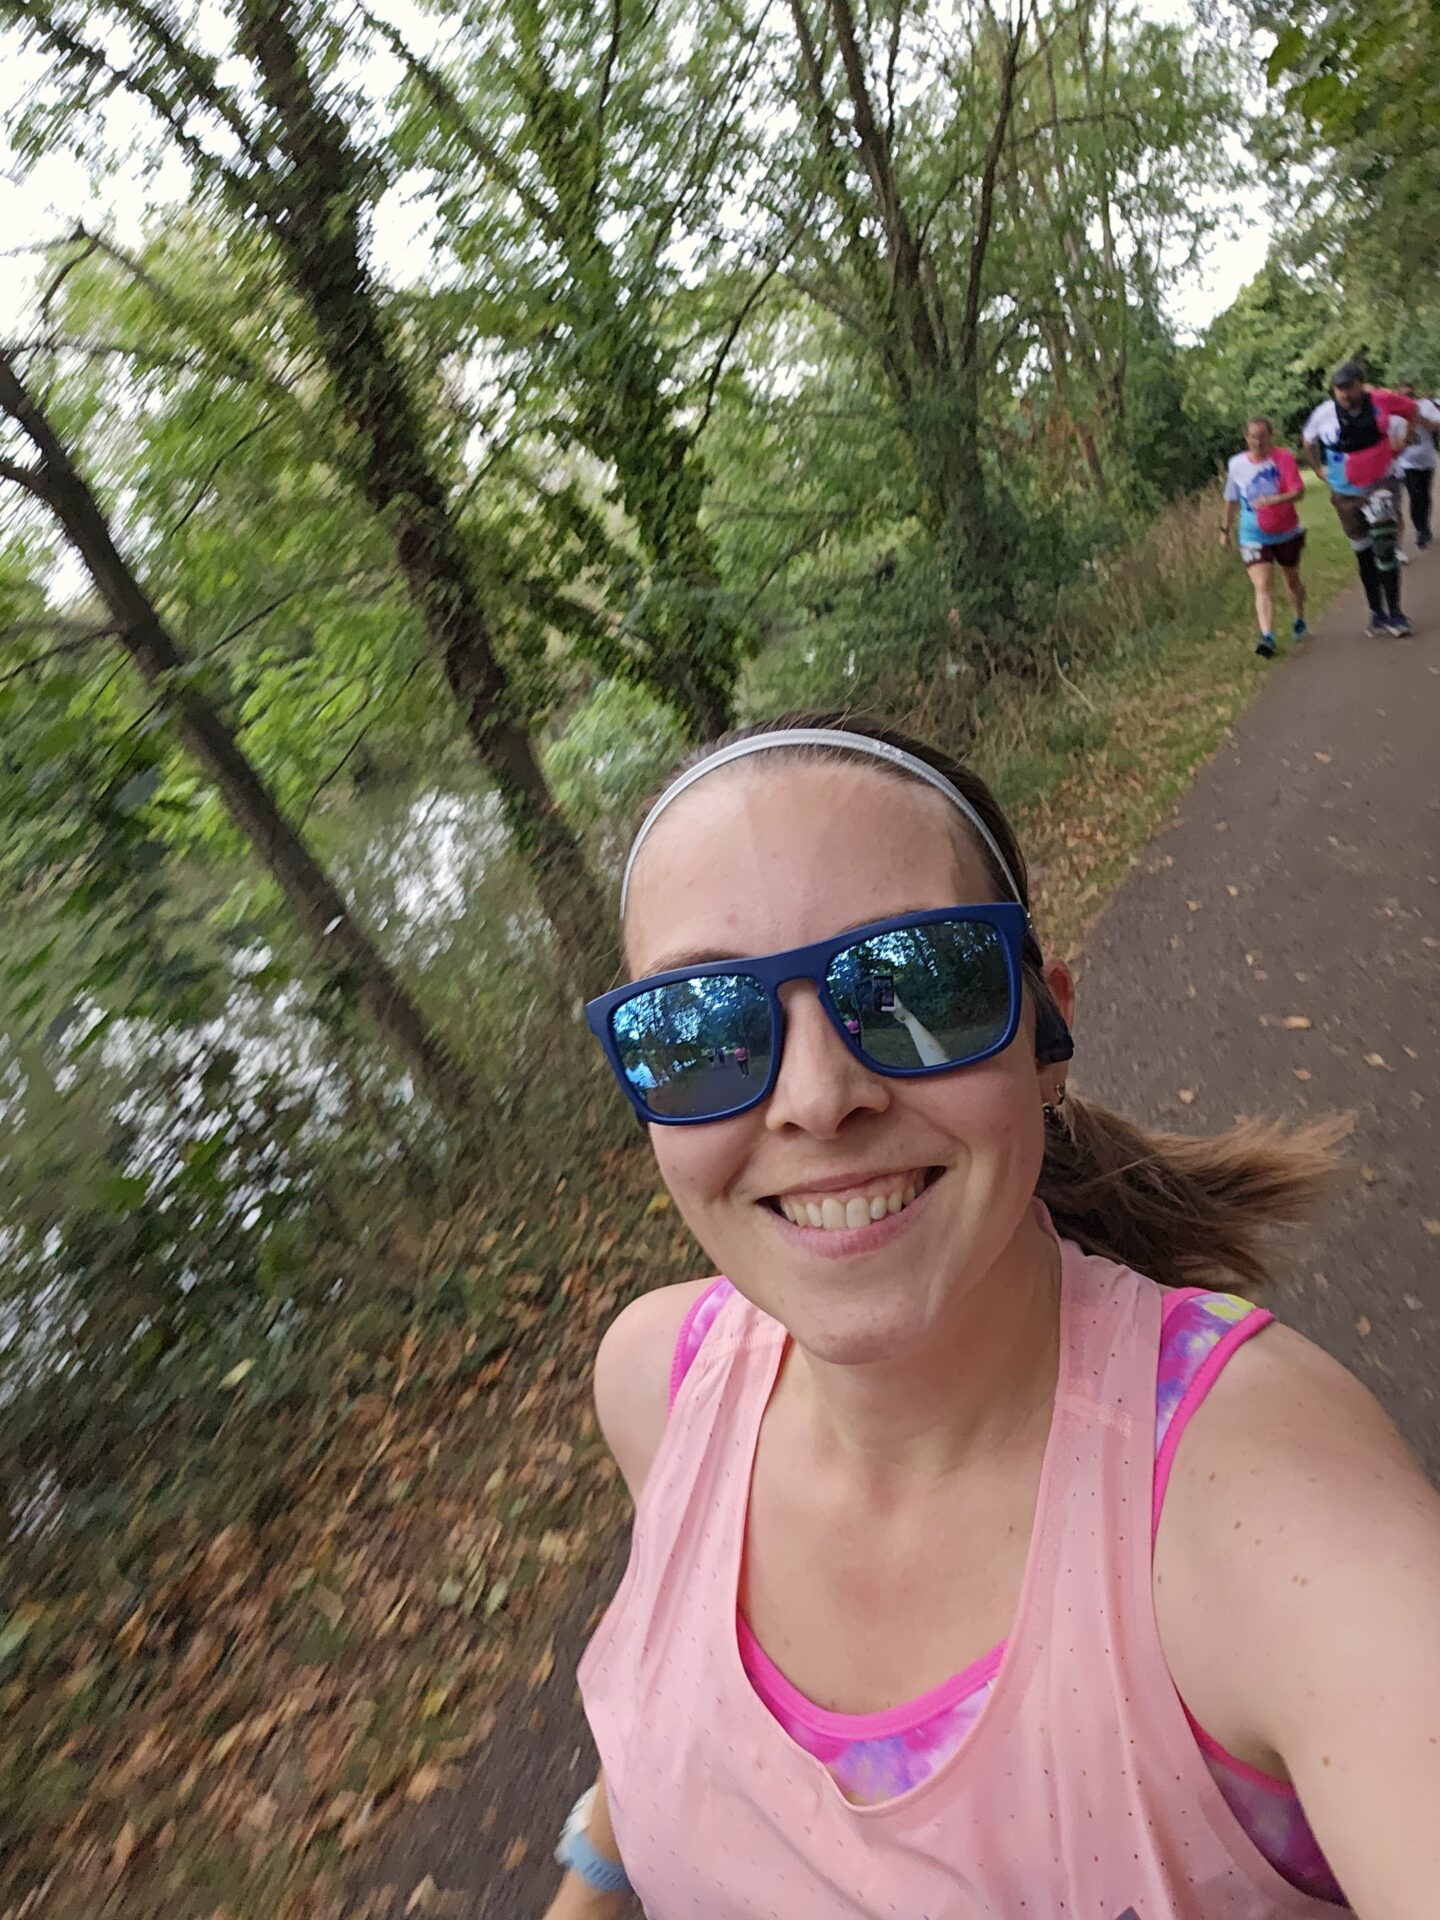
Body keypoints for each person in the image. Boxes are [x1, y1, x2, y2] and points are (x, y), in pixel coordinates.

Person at [544, 714, 1440, 1919]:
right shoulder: (659, 1382)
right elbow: (679, 1687)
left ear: (1044, 1036)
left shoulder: (1263, 1507)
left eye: (920, 984)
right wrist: (593, 1882)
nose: (818, 1099)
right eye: (698, 1027)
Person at [1303, 362, 1417, 636]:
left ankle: (1397, 614)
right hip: (1345, 494)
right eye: (1338, 389)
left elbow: (1411, 410)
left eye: (1347, 388)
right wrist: (1318, 469)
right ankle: (1376, 613)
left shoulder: (1381, 401)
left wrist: (1404, 440)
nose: (1342, 394)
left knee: (1385, 547)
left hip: (1380, 485)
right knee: (1364, 553)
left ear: (1360, 385)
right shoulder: (1324, 413)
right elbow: (1308, 440)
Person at [1219, 415, 1308, 657]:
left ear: (1271, 437)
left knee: (1292, 581)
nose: (1258, 442)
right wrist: (1225, 530)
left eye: (1263, 437)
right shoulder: (1236, 464)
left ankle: (1299, 616)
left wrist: (1273, 500)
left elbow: (1298, 492)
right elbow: (1231, 498)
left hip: (1286, 530)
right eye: (1253, 437)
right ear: (1246, 438)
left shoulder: (1283, 458)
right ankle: (1267, 636)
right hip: (1252, 533)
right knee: (1262, 584)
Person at [1396, 383, 1440, 550]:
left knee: (1425, 495)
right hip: (1406, 462)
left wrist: (1421, 419)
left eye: (1409, 392)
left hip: (1427, 460)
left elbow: (1437, 424)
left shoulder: (1425, 406)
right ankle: (1420, 530)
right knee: (1416, 495)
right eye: (1402, 393)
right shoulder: (1394, 410)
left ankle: (1425, 525)